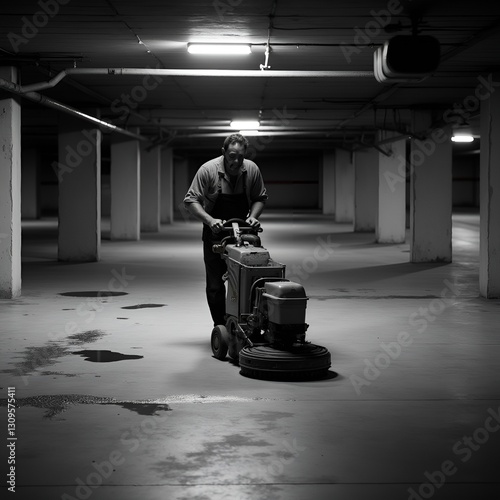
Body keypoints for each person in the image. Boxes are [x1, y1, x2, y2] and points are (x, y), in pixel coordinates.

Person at [183, 133, 268, 326]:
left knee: (251, 280)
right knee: (215, 285)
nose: (236, 161)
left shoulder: (252, 170)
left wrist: (253, 217)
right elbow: (190, 200)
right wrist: (209, 219)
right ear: (223, 152)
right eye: (231, 156)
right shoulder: (208, 170)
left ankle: (249, 322)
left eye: (240, 156)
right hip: (215, 234)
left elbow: (259, 198)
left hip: (245, 233)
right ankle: (220, 326)